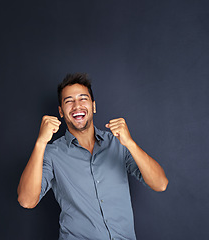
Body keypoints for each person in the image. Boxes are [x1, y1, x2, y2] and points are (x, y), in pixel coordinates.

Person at [17, 73, 168, 240]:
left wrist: (130, 143)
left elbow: (160, 184)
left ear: (93, 106)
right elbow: (26, 201)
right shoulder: (52, 153)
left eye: (83, 99)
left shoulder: (118, 143)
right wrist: (40, 143)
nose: (77, 106)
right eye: (69, 101)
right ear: (61, 111)